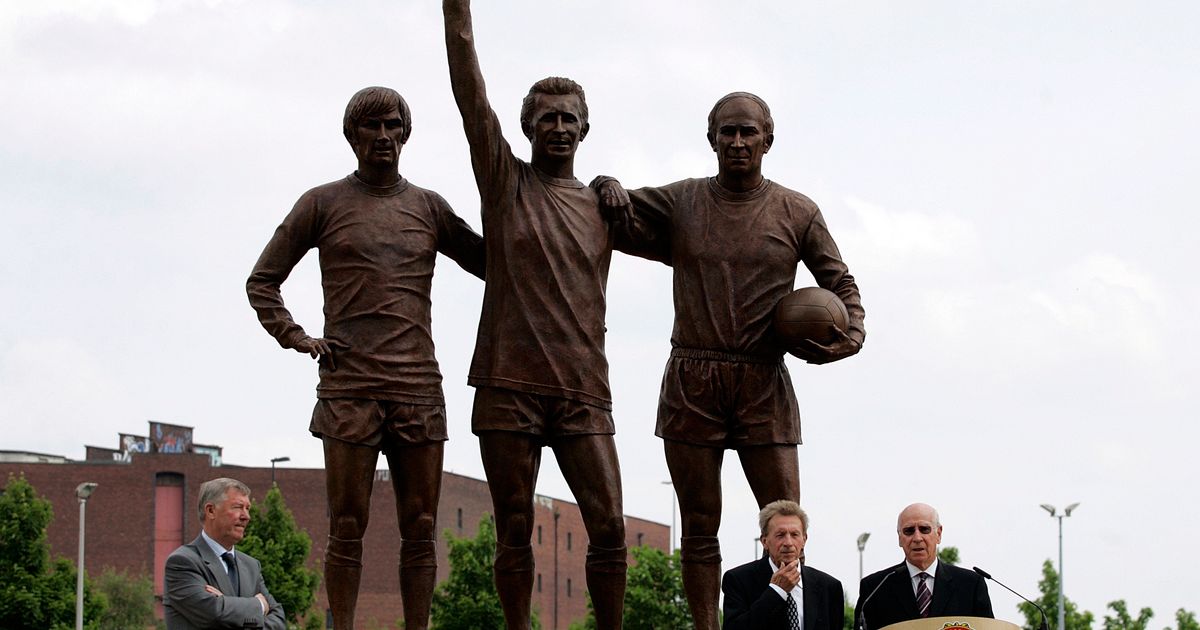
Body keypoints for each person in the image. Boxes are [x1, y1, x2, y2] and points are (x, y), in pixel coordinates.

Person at [594, 92, 866, 628]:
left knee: (786, 519)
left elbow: (842, 283)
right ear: (711, 138)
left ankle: (794, 624)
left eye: (747, 132)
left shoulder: (797, 211)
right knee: (698, 524)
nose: (737, 142)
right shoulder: (683, 203)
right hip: (693, 377)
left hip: (764, 380)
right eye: (727, 132)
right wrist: (605, 185)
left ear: (768, 139)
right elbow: (617, 214)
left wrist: (849, 335)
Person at [246, 86, 485, 630]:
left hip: (418, 386)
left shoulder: (428, 207)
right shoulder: (322, 203)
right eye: (371, 126)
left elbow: (492, 263)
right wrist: (297, 336)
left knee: (421, 522)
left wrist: (523, 208)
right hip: (349, 386)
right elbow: (262, 281)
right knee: (347, 522)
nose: (383, 136)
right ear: (352, 135)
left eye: (392, 125)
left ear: (405, 133)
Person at [442, 2, 629, 628]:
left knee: (609, 526)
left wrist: (616, 189)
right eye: (546, 118)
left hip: (582, 387)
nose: (559, 127)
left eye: (569, 118)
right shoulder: (504, 181)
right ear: (525, 128)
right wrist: (457, 11)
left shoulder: (607, 207)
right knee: (514, 525)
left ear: (585, 129)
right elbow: (470, 92)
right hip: (508, 383)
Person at [163, 478, 286, 630]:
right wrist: (259, 605)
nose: (246, 516)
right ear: (211, 511)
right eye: (238, 507)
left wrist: (226, 605)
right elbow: (213, 613)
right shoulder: (183, 562)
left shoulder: (251, 566)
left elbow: (279, 620)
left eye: (248, 508)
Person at [855, 503, 993, 630]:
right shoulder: (874, 588)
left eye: (924, 529)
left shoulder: (971, 584)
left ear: (938, 534)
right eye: (909, 531)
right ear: (899, 538)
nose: (917, 538)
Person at [722, 500, 844, 630]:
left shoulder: (829, 587)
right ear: (764, 541)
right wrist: (776, 591)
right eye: (780, 535)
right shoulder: (738, 580)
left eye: (794, 534)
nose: (788, 542)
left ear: (804, 540)